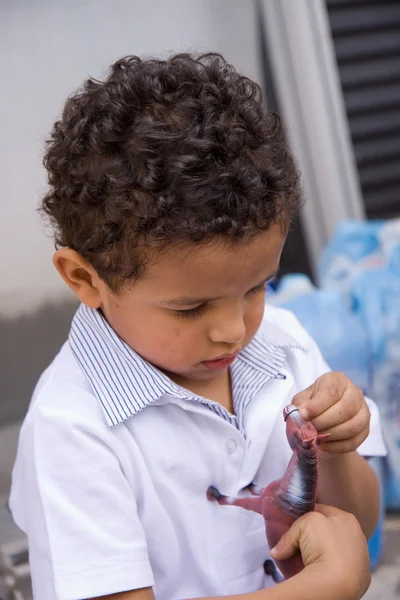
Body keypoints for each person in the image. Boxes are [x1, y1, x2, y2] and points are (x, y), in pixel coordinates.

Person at [9, 53, 385, 600]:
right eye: (190, 309)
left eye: (258, 287)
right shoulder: (72, 432)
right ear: (84, 278)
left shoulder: (283, 346)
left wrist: (337, 449)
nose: (234, 329)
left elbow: (357, 523)